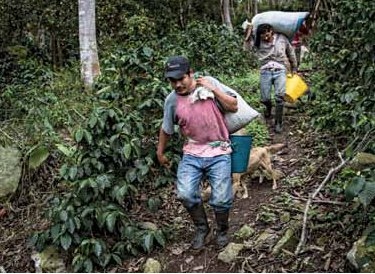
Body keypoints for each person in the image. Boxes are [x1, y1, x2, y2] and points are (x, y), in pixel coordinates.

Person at [157, 56, 238, 250]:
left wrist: (213, 89)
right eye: (172, 81)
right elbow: (166, 128)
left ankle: (222, 229)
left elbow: (233, 106)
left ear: (190, 73)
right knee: (185, 193)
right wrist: (160, 152)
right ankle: (202, 228)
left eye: (181, 79)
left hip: (219, 150)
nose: (177, 84)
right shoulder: (172, 101)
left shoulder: (209, 84)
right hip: (192, 152)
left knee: (221, 198)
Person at [254, 23, 298, 133]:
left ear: (271, 31)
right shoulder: (257, 42)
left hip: (280, 70)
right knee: (265, 98)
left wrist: (294, 68)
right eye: (262, 34)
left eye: (267, 33)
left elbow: (290, 52)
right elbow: (246, 47)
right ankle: (268, 108)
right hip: (265, 71)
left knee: (279, 96)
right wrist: (247, 34)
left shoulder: (282, 39)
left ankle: (278, 122)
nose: (265, 36)